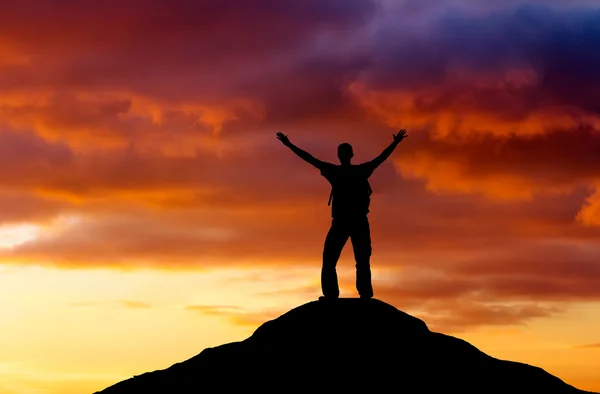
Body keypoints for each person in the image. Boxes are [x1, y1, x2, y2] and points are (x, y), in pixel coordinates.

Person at [276, 130, 408, 300]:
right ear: (349, 155)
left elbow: (310, 159)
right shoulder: (358, 170)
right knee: (352, 259)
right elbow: (380, 158)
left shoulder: (340, 171)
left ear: (345, 155)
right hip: (352, 221)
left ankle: (344, 294)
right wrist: (395, 143)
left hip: (347, 221)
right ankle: (359, 294)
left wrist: (289, 145)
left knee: (346, 259)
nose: (342, 155)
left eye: (343, 153)